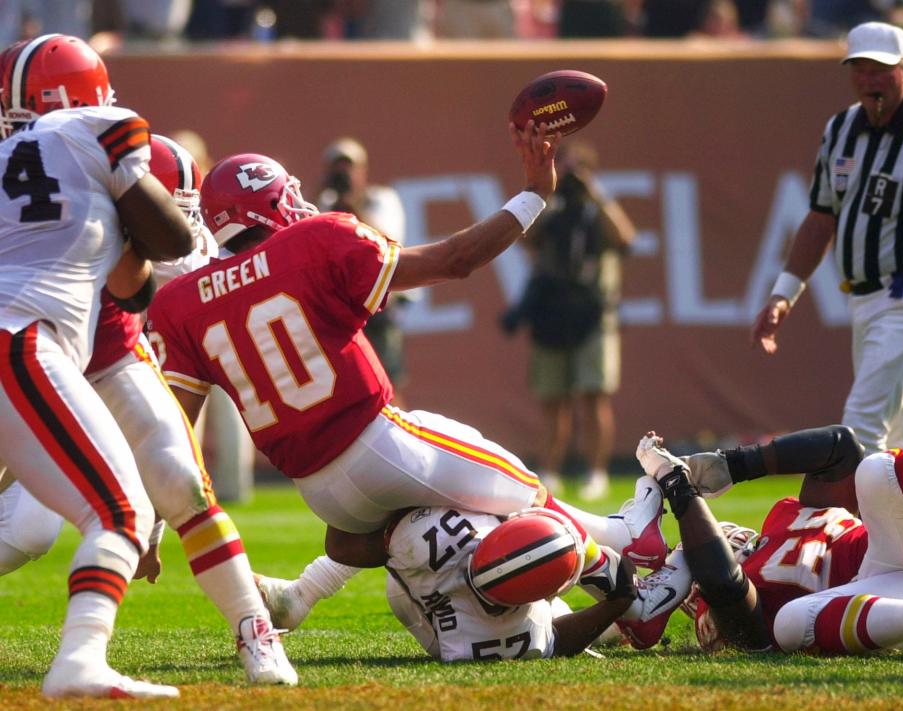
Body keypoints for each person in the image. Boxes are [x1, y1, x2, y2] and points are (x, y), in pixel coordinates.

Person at [148, 125, 669, 622]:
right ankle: (629, 567)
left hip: (317, 492)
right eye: (287, 195)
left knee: (454, 524)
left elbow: (172, 432)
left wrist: (151, 531)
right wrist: (534, 193)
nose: (299, 204)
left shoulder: (181, 302)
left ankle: (306, 594)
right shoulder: (317, 241)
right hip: (379, 444)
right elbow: (456, 259)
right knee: (527, 493)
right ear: (263, 204)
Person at [0, 34, 193, 698]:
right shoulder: (96, 124)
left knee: (113, 511)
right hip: (24, 338)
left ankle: (82, 659)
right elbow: (173, 241)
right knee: (117, 512)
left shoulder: (6, 153)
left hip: (19, 334)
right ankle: (78, 659)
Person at [750, 22, 903, 456]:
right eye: (859, 69)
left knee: (861, 424)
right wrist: (783, 294)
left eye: (880, 69)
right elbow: (821, 217)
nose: (869, 80)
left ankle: (848, 524)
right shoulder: (841, 129)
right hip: (866, 297)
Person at [254, 481, 690, 661]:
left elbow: (345, 542)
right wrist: (612, 604)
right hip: (421, 593)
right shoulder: (481, 631)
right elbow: (559, 640)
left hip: (425, 589)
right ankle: (634, 598)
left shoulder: (430, 536)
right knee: (522, 492)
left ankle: (301, 595)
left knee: (518, 494)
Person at [635, 426, 903, 654]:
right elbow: (723, 583)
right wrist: (678, 487)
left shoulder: (783, 519)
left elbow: (840, 448)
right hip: (895, 594)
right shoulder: (726, 601)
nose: (731, 536)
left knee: (875, 472)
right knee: (792, 624)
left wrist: (732, 465)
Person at [508, 141, 635, 499]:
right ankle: (550, 470)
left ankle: (597, 472)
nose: (569, 174)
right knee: (553, 399)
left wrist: (591, 191)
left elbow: (625, 237)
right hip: (552, 314)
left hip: (594, 314)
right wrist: (547, 194)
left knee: (594, 396)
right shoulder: (551, 210)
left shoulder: (597, 208)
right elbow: (525, 238)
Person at [316, 137, 410, 408]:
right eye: (337, 168)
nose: (344, 174)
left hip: (378, 309)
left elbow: (386, 240)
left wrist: (350, 204)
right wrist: (319, 196)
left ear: (363, 170)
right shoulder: (322, 203)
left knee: (390, 388)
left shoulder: (381, 199)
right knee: (347, 392)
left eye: (349, 167)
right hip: (339, 310)